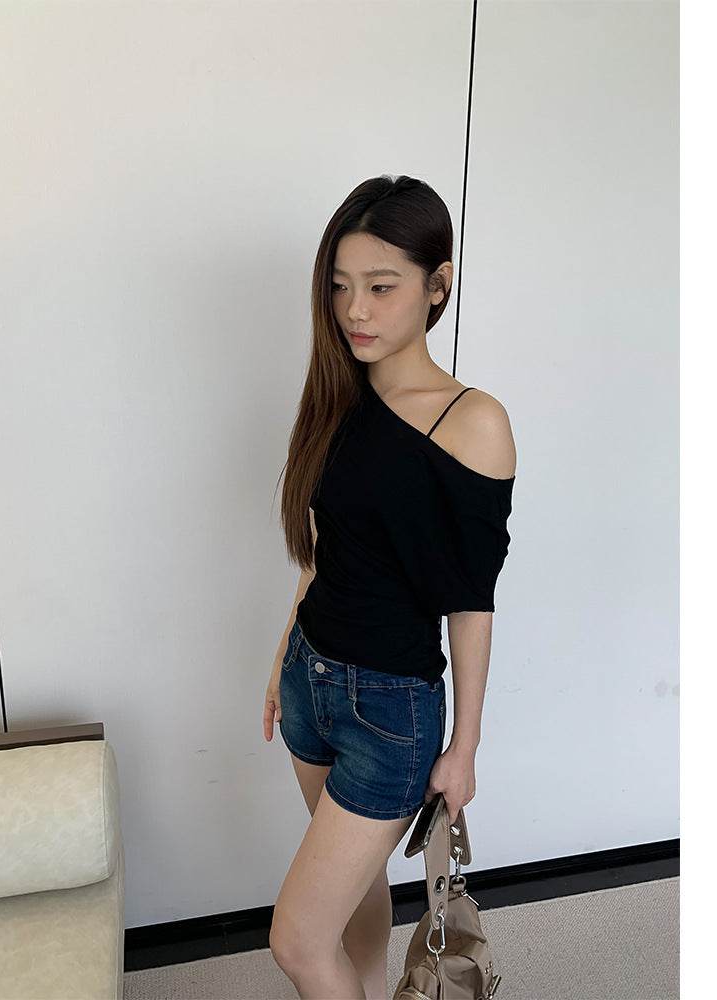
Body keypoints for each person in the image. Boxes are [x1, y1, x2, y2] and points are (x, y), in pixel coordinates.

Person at [262, 175, 516, 1000]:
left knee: (297, 943)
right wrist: (284, 654)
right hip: (310, 680)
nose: (355, 310)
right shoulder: (341, 391)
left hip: (390, 711)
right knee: (352, 897)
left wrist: (464, 746)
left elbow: (471, 600)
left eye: (381, 287)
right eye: (340, 287)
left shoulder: (472, 421)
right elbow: (324, 547)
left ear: (438, 285)